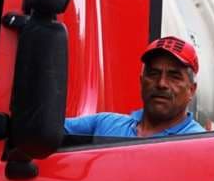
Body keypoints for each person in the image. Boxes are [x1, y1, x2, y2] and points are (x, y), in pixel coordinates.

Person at [64, 36, 205, 137]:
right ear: (141, 81)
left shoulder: (200, 145)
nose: (161, 83)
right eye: (154, 73)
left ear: (191, 90)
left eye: (174, 76)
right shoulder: (105, 124)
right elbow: (47, 129)